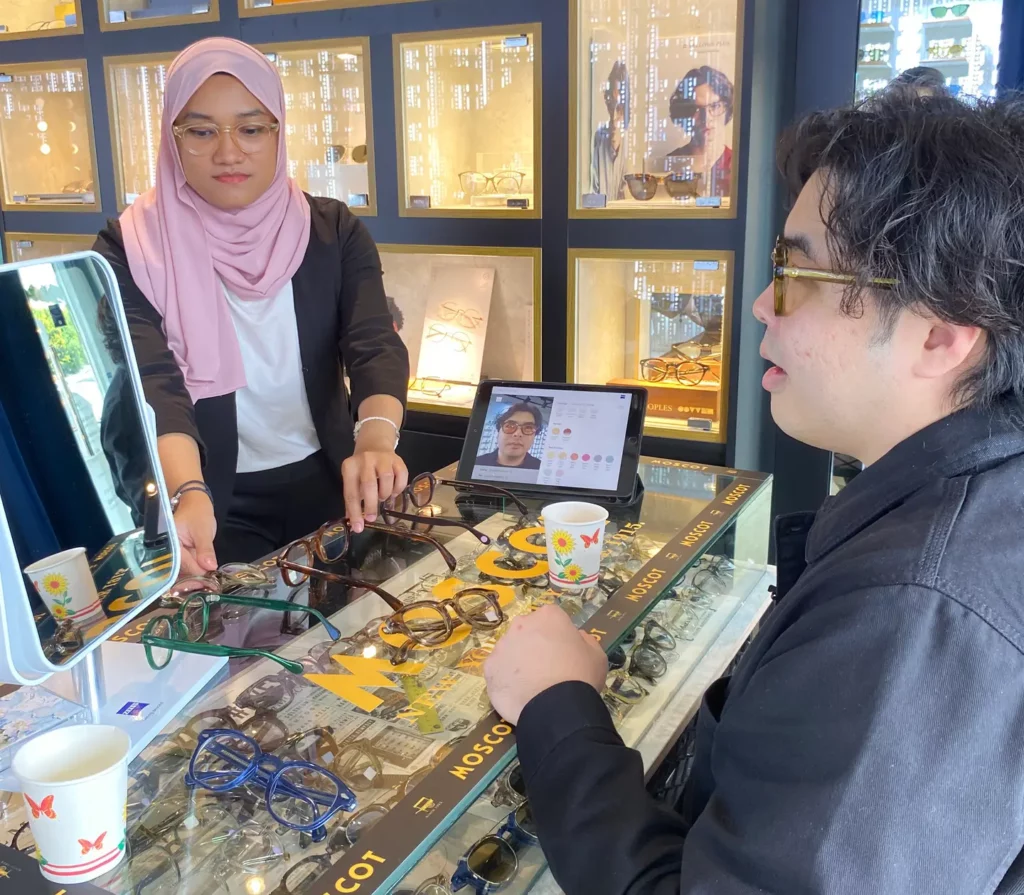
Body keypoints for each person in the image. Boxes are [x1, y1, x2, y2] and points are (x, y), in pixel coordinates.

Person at [485, 91, 1024, 893]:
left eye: (797, 272)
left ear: (940, 335)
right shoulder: (969, 506)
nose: (764, 303)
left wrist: (556, 703)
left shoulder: (913, 615)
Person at [94, 38, 409, 577]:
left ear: (277, 132)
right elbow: (155, 382)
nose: (229, 153)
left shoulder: (331, 230)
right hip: (209, 495)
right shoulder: (130, 247)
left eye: (251, 128)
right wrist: (187, 492)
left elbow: (373, 342)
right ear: (172, 136)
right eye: (201, 131)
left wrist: (376, 440)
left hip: (329, 480)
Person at [667, 65, 733, 198]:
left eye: (715, 106)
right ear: (684, 113)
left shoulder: (737, 165)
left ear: (726, 108)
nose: (706, 118)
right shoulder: (669, 164)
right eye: (696, 109)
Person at [591, 61, 629, 200]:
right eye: (611, 105)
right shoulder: (598, 139)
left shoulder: (632, 146)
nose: (614, 116)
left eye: (618, 107)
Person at [475, 402, 543, 470]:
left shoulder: (542, 469)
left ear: (535, 435)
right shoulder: (476, 463)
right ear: (498, 432)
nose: (517, 434)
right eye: (510, 426)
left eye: (528, 428)